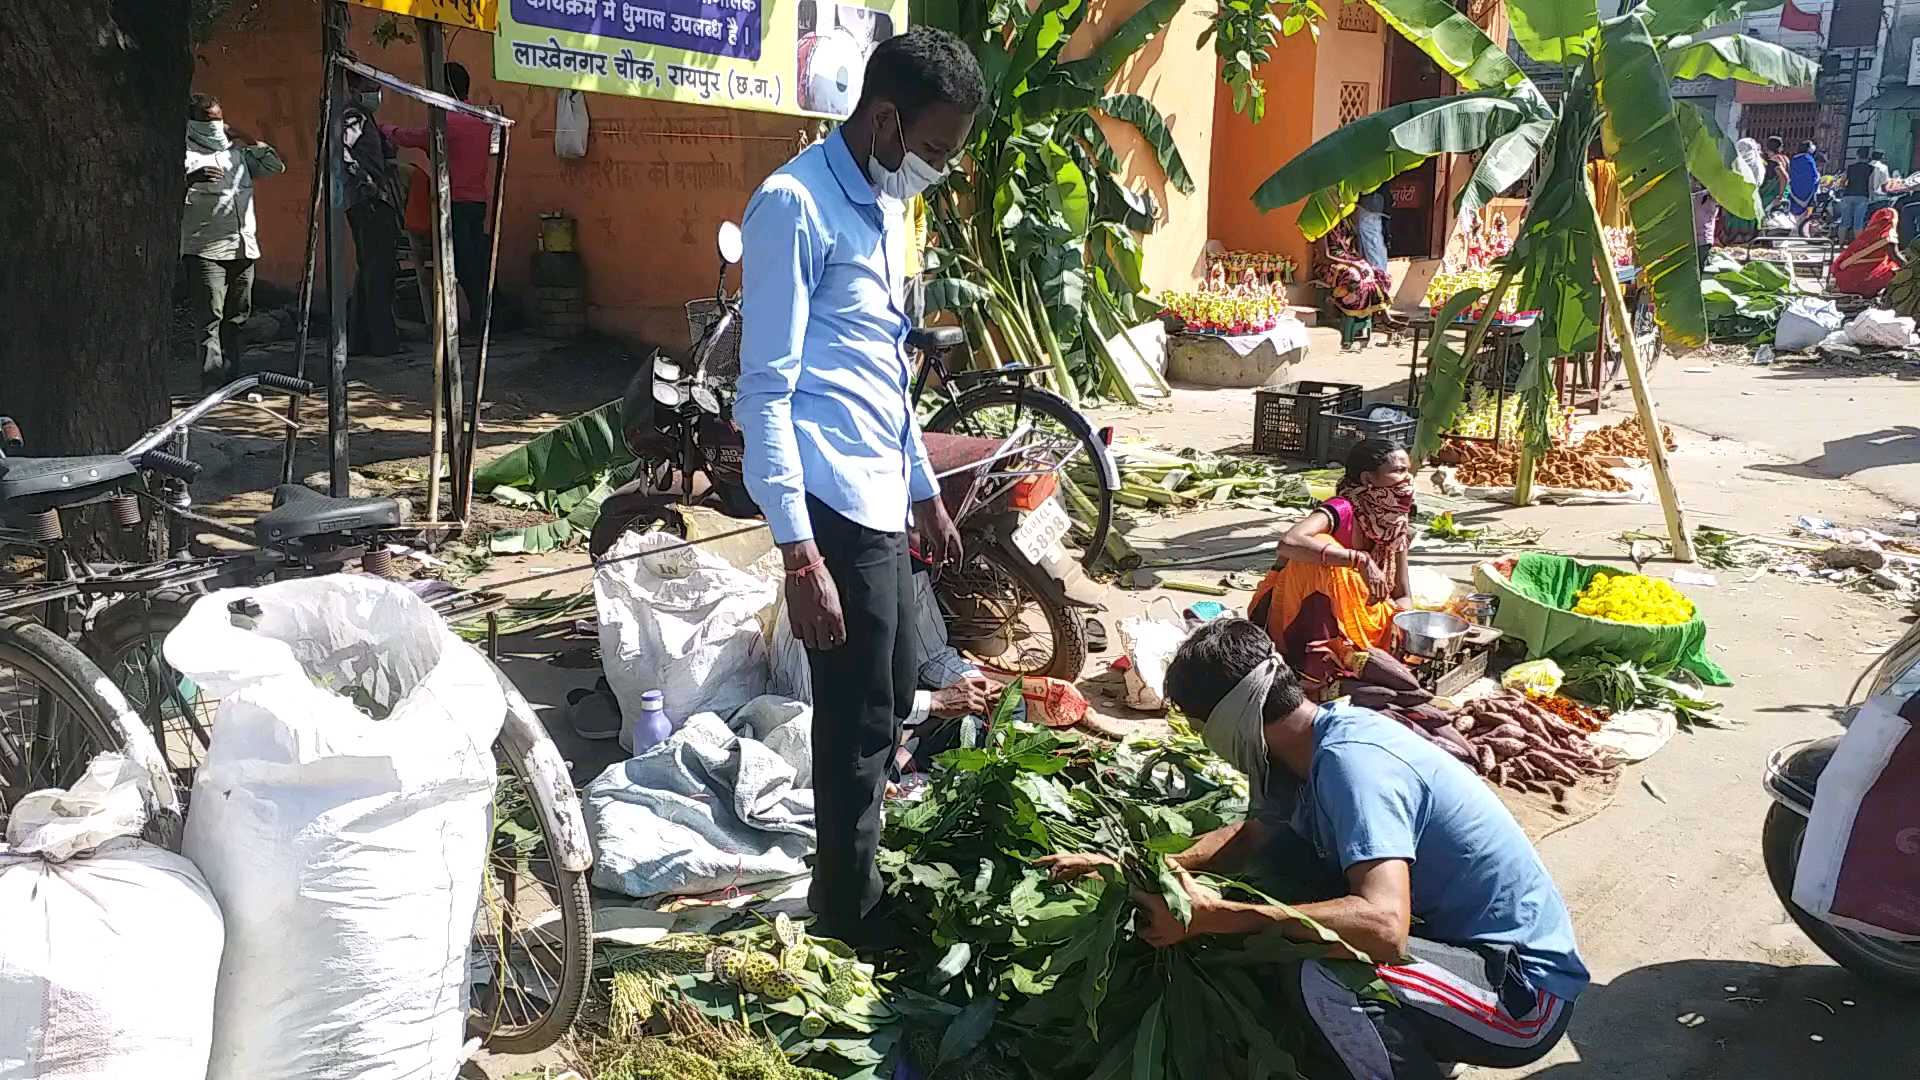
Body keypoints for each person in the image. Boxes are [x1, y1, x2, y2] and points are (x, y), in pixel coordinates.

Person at [1038, 619, 1588, 1078]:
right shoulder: (1301, 748)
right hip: (1454, 948)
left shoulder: (1354, 767)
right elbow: (1252, 836)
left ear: (1230, 720)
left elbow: (1382, 926)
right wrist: (1136, 868)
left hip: (1520, 994)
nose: (1203, 737)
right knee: (1279, 862)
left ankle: (1415, 1058)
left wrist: (1215, 917)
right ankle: (1413, 1039)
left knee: (1322, 972)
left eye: (1200, 724)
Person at [734, 27, 984, 947]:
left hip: (883, 493)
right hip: (831, 502)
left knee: (899, 687)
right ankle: (848, 914)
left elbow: (881, 366)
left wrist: (922, 487)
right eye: (934, 149)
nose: (939, 170)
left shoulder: (883, 202)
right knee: (858, 722)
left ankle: (864, 874)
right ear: (885, 117)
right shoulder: (792, 206)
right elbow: (763, 392)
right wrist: (799, 552)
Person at [1248, 439, 1412, 669]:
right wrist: (1360, 560)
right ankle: (1316, 664)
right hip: (1296, 615)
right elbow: (1289, 542)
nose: (1408, 478)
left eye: (1408, 471)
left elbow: (1403, 594)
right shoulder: (1342, 509)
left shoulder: (1395, 522)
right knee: (1322, 546)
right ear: (1367, 479)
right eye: (1399, 471)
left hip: (1363, 619)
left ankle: (1354, 656)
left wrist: (1401, 622)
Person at [181, 92, 285, 387]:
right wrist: (191, 179)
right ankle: (212, 384)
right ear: (193, 123)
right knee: (210, 319)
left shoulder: (237, 152)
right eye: (208, 120)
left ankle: (232, 381)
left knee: (237, 319)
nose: (216, 125)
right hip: (205, 249)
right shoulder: (185, 154)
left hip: (242, 246)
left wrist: (248, 137)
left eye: (219, 119)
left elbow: (275, 167)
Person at [383, 61, 493, 323]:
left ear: (445, 87)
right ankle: (483, 315)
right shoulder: (481, 121)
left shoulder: (446, 124)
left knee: (463, 264)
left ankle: (479, 318)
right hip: (478, 200)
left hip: (452, 202)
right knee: (475, 259)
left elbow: (410, 137)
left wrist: (385, 129)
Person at [341, 73, 405, 357]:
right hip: (368, 202)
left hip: (371, 199)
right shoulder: (354, 117)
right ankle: (382, 341)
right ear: (355, 90)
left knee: (370, 270)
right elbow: (342, 151)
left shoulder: (365, 117)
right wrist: (365, 181)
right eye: (370, 88)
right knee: (379, 271)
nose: (376, 94)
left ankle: (362, 340)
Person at [1314, 219, 1391, 352]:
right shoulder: (1323, 227)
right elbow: (1324, 256)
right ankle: (1351, 312)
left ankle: (1379, 312)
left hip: (1349, 259)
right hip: (1329, 265)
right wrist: (1354, 265)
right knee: (1353, 277)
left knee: (1376, 273)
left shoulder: (1346, 223)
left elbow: (1352, 249)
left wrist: (1360, 263)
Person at [1830, 205, 1903, 298]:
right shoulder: (1888, 239)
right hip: (1862, 283)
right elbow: (1898, 260)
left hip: (1845, 281)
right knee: (1895, 270)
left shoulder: (1867, 236)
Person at [1720, 138, 1768, 244]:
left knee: (1732, 237)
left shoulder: (1735, 164)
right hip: (1753, 202)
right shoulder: (1759, 164)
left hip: (1734, 203)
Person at [1838, 147, 1890, 242]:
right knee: (1858, 223)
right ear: (1868, 157)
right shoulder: (1871, 168)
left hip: (1847, 195)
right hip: (1862, 196)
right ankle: (1857, 247)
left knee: (1844, 222)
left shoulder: (1850, 167)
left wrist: (1843, 190)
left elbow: (1842, 182)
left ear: (1857, 155)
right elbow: (1871, 185)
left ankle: (1840, 244)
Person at [1760, 135, 1792, 221]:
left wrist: (1780, 196)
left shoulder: (1774, 161)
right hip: (1784, 192)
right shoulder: (1785, 159)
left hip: (1771, 194)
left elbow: (1784, 177)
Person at [1789, 140, 1820, 221]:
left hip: (1794, 190)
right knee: (1806, 216)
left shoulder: (1794, 159)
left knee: (1793, 213)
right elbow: (1814, 176)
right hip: (1808, 193)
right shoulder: (1809, 159)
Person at [1693, 185, 1720, 270]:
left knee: (1697, 269)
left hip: (1703, 240)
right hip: (1698, 239)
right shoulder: (1697, 196)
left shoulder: (1710, 197)